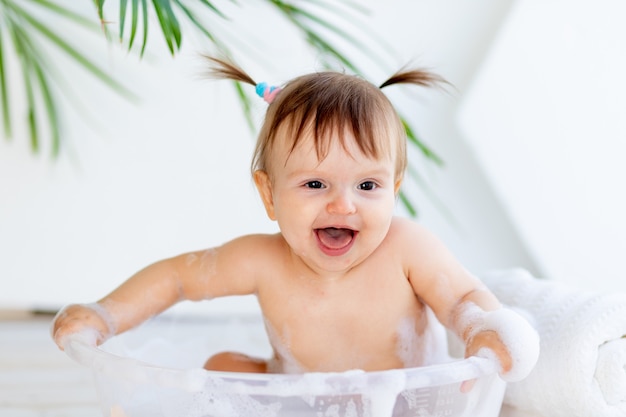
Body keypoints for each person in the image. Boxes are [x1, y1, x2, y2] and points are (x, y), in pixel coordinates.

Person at [52, 57, 539, 382]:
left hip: (405, 401)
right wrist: (105, 314)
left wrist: (483, 326)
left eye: (367, 186)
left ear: (394, 188)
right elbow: (178, 277)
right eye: (314, 184)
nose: (343, 205)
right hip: (301, 398)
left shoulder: (408, 249)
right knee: (222, 371)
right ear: (269, 193)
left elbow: (460, 296)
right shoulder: (262, 259)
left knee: (458, 397)